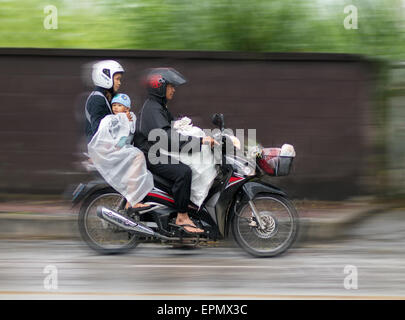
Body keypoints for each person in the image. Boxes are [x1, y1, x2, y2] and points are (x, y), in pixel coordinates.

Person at [134, 68, 217, 234]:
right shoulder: (152, 109)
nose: (174, 90)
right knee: (183, 172)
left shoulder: (159, 107)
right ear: (159, 87)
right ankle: (182, 216)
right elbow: (166, 138)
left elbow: (173, 129)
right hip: (151, 155)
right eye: (171, 86)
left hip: (157, 151)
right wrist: (199, 142)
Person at [88, 93, 153, 210]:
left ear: (127, 108)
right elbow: (120, 139)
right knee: (138, 156)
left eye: (119, 105)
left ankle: (132, 198)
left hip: (121, 150)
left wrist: (126, 120)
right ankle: (132, 200)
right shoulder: (110, 119)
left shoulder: (130, 118)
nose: (115, 108)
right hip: (114, 151)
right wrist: (123, 119)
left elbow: (131, 132)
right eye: (114, 105)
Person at [85, 60, 130, 143]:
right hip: (100, 150)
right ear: (105, 77)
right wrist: (122, 120)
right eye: (117, 79)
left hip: (108, 147)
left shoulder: (108, 96)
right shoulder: (97, 99)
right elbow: (99, 131)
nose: (119, 83)